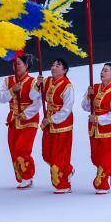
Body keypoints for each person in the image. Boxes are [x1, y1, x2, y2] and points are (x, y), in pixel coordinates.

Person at [0, 56, 41, 189]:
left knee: (22, 148)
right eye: (14, 64)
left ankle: (28, 176)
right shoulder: (8, 81)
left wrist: (25, 114)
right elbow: (1, 98)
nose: (16, 66)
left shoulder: (33, 81)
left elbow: (37, 102)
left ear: (26, 65)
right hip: (13, 119)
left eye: (19, 63)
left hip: (29, 119)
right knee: (13, 149)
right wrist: (12, 90)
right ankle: (22, 176)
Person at [82, 63, 111, 194]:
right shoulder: (94, 87)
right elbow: (85, 107)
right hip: (94, 128)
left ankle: (102, 185)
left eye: (106, 71)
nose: (102, 72)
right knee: (95, 158)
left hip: (109, 129)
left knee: (104, 159)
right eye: (102, 70)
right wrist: (88, 96)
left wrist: (98, 119)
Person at [38, 58, 75, 193]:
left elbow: (67, 109)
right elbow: (35, 97)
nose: (53, 67)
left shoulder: (67, 86)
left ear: (64, 70)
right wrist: (37, 85)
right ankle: (68, 169)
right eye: (52, 65)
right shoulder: (47, 81)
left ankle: (63, 184)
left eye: (58, 65)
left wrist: (51, 119)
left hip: (62, 123)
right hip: (49, 122)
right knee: (47, 154)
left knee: (59, 156)